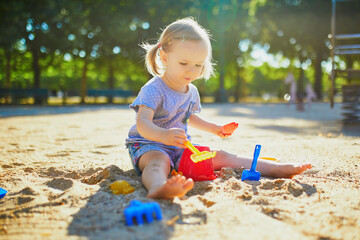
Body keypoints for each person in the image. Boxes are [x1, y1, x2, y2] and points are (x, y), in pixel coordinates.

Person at [125, 18, 311, 199]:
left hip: (180, 147)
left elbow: (188, 117)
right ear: (165, 57)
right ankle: (158, 187)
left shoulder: (191, 91)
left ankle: (276, 169)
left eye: (198, 65)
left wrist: (215, 128)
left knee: (220, 156)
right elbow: (142, 123)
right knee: (159, 161)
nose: (191, 70)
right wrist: (164, 136)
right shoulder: (154, 89)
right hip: (147, 146)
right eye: (184, 63)